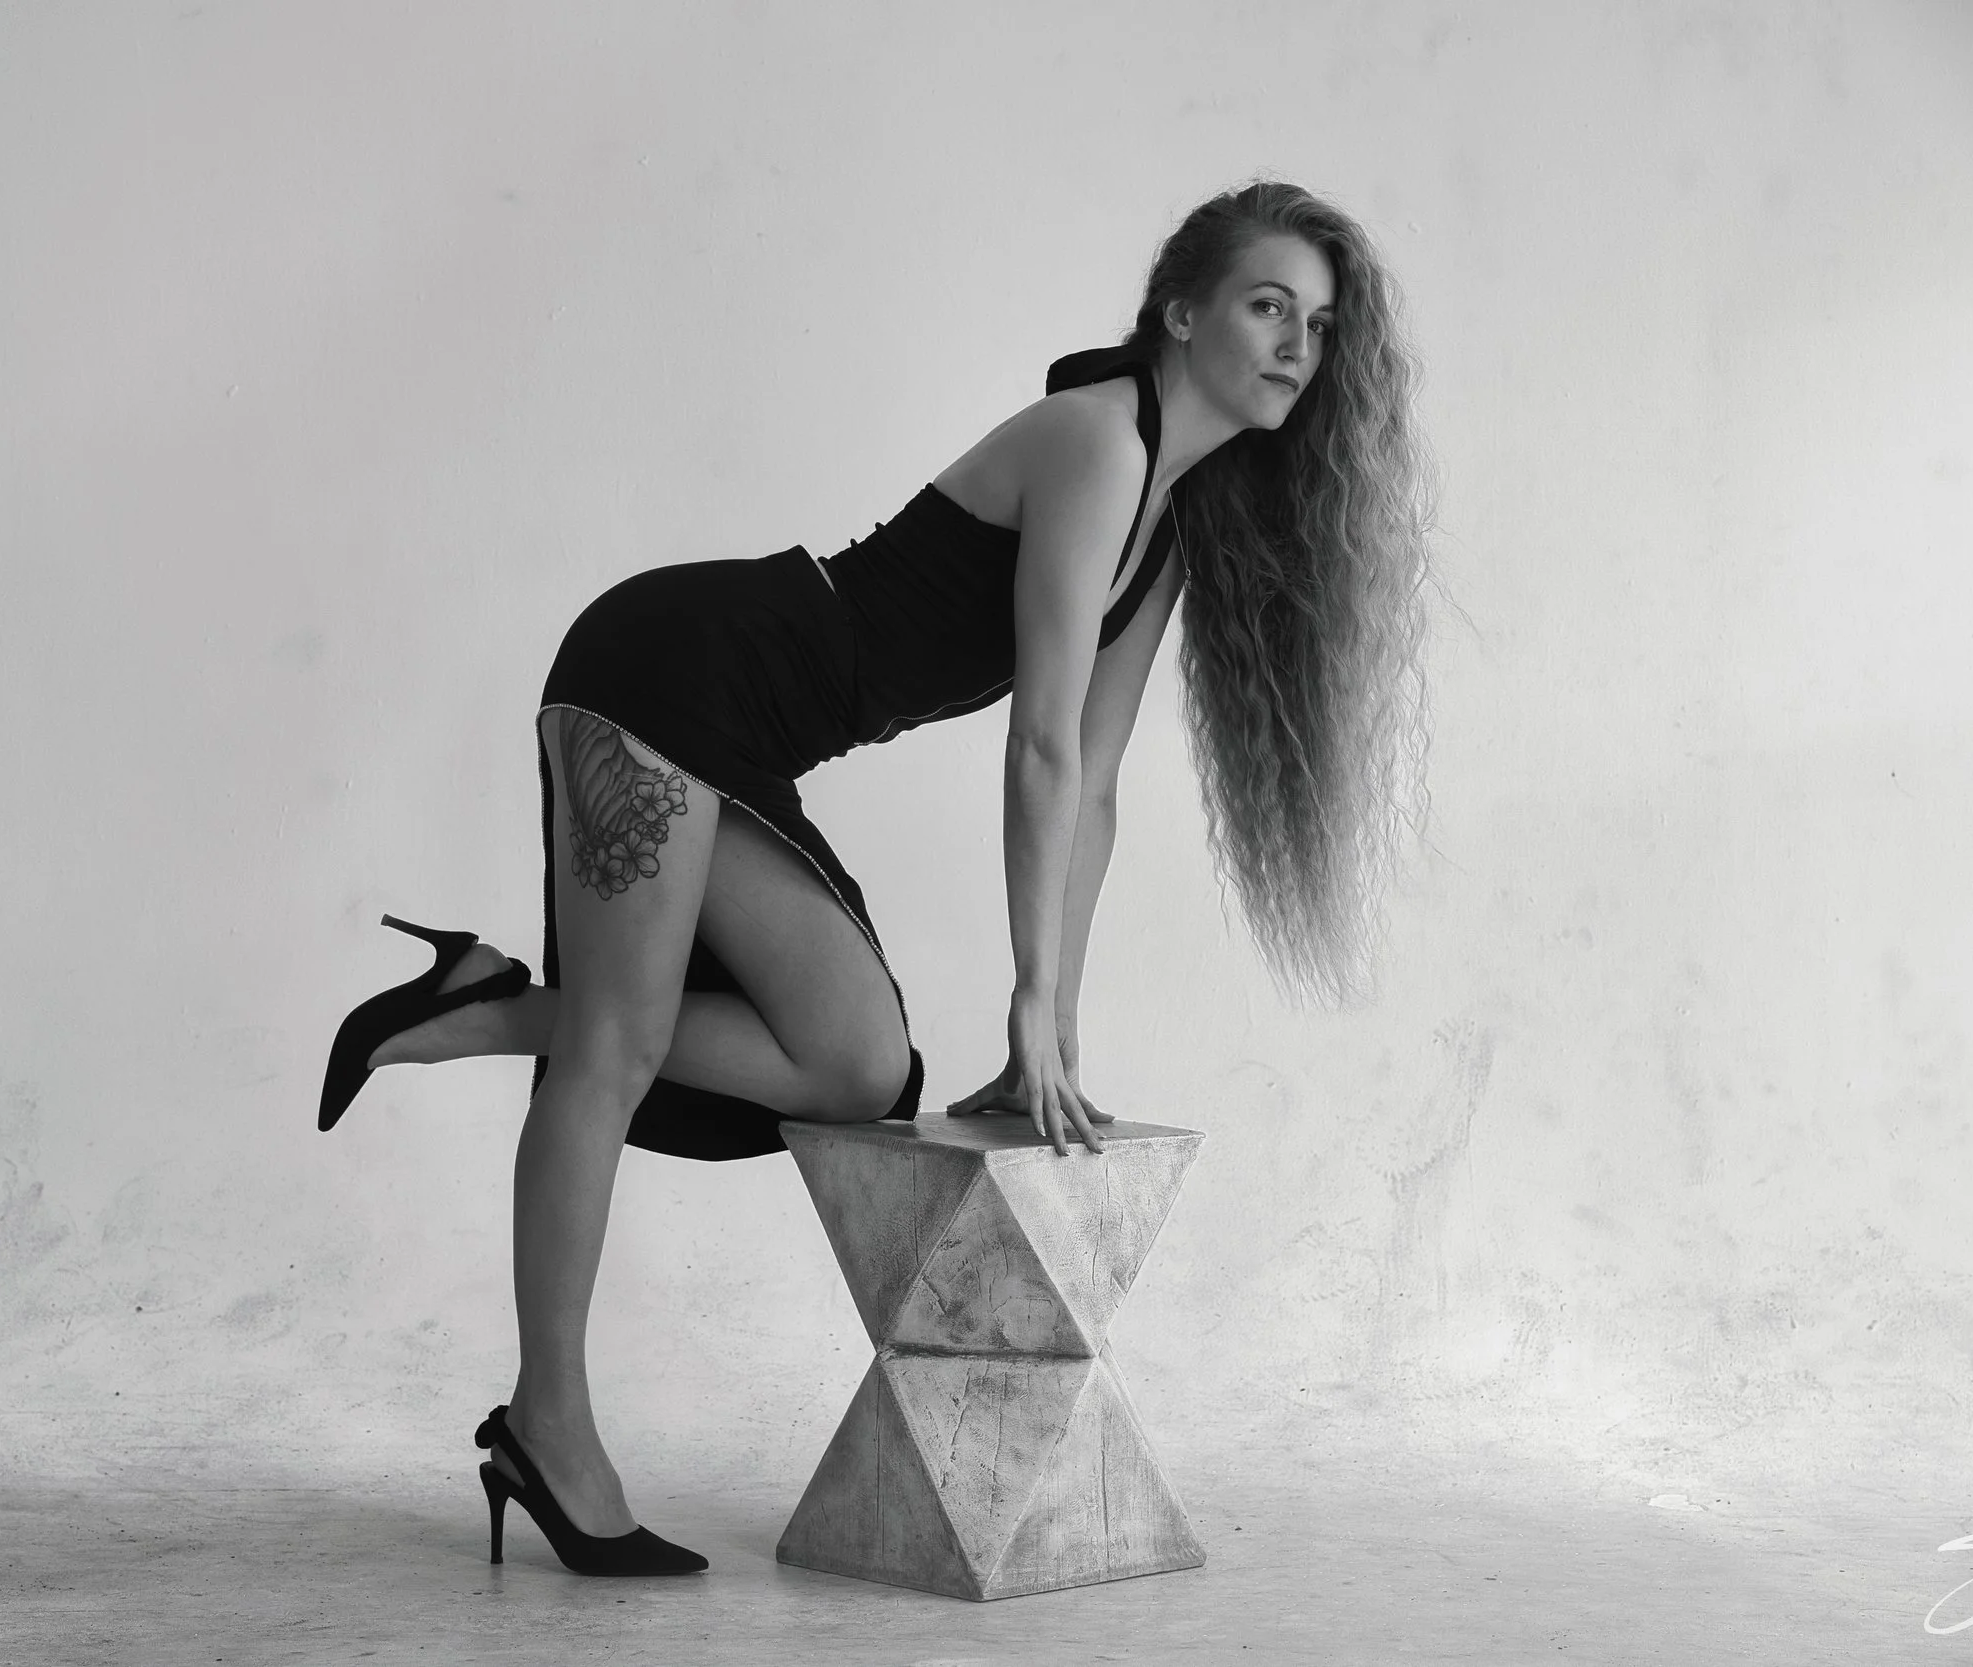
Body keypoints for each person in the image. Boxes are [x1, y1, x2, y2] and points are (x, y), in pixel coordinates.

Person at [315, 181, 1433, 1576]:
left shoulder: (1173, 526)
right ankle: (549, 1426)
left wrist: (1056, 1032)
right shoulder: (1099, 442)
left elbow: (1092, 786)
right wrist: (1025, 995)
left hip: (740, 733)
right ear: (1182, 309)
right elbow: (1032, 746)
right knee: (620, 1041)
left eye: (1319, 327)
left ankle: (482, 1000)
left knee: (855, 1069)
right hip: (668, 670)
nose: (1295, 346)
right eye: (1270, 306)